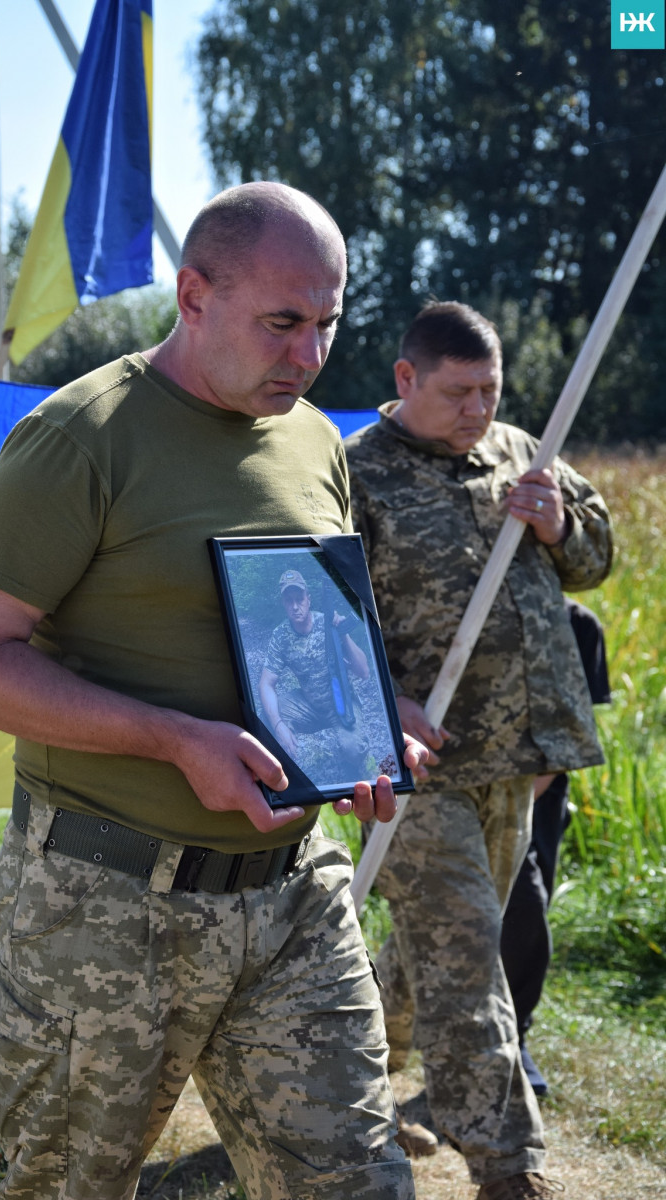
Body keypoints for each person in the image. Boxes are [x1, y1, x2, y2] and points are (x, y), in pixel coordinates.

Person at [0, 182, 427, 1200]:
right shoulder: (81, 439)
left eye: (327, 324)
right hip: (106, 909)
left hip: (293, 891)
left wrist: (370, 722)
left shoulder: (314, 440)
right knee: (65, 1186)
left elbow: (312, 628)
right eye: (282, 322)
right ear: (193, 295)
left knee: (352, 1183)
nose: (308, 356)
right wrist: (170, 739)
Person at [345, 301, 612, 1200]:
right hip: (415, 764)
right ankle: (509, 1166)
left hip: (517, 754)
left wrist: (558, 526)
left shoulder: (519, 451)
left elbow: (594, 560)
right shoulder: (356, 477)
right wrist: (387, 701)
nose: (477, 411)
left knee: (438, 950)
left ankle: (344, 1084)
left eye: (490, 391)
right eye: (458, 392)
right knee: (466, 953)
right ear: (405, 380)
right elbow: (316, 618)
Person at [501, 598, 611, 1098]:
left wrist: (514, 804)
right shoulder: (460, 604)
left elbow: (571, 732)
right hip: (454, 792)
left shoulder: (577, 625)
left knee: (526, 916)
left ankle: (515, 1038)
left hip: (536, 796)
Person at [259, 568, 370, 782]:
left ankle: (353, 766)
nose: (295, 606)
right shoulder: (281, 636)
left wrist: (341, 633)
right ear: (283, 603)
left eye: (299, 598)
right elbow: (266, 683)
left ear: (308, 599)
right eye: (288, 600)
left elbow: (363, 672)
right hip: (309, 705)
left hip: (343, 703)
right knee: (267, 717)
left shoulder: (327, 623)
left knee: (354, 750)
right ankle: (282, 777)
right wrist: (279, 725)